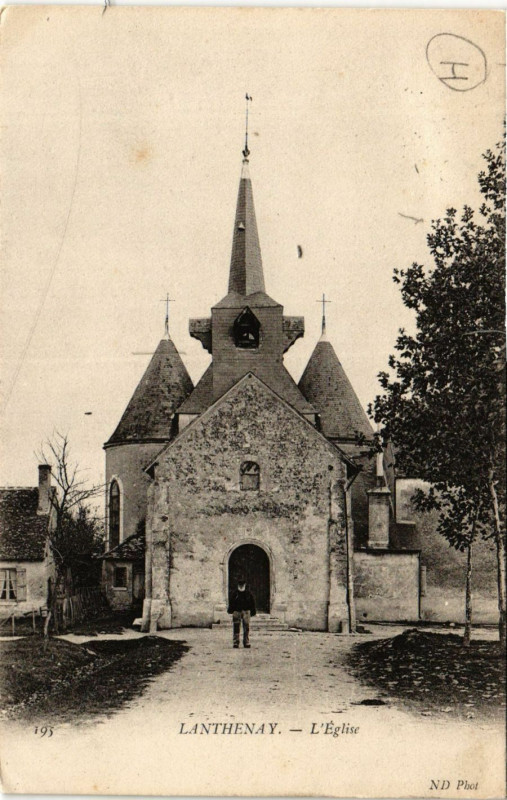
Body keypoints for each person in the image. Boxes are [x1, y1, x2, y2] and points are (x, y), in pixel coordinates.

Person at [227, 576, 256, 648]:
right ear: (238, 585)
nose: (241, 586)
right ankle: (236, 642)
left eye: (242, 584)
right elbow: (231, 602)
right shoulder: (235, 594)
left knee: (246, 627)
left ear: (245, 585)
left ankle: (246, 642)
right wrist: (231, 610)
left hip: (246, 611)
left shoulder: (249, 594)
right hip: (237, 611)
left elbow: (252, 603)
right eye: (240, 584)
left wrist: (252, 611)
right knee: (236, 627)